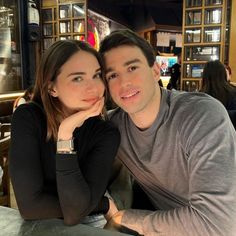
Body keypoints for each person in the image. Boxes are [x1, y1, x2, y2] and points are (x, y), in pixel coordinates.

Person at [99, 29, 236, 236]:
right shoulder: (113, 126)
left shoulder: (200, 116)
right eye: (113, 75)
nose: (124, 83)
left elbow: (219, 225)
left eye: (132, 67)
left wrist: (125, 218)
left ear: (155, 71)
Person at [9, 39, 120, 227]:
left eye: (97, 75)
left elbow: (75, 214)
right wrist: (103, 204)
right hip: (45, 219)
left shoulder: (105, 132)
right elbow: (29, 208)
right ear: (52, 88)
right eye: (77, 78)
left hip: (91, 219)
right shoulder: (28, 117)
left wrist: (65, 136)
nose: (94, 87)